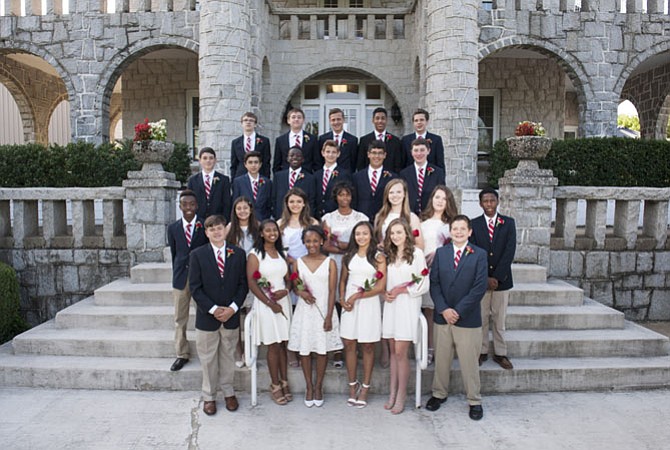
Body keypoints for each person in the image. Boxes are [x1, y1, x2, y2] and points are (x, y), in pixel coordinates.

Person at [425, 215, 488, 421]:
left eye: (463, 229)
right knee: (441, 359)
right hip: (443, 316)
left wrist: (458, 311)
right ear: (449, 232)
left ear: (470, 232)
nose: (458, 232)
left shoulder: (478, 254)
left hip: (466, 318)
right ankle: (438, 394)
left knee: (469, 361)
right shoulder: (441, 253)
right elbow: (434, 283)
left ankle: (474, 400)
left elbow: (479, 287)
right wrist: (443, 309)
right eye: (455, 229)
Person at [189, 215, 248, 415]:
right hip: (208, 317)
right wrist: (214, 309)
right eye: (212, 229)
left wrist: (232, 308)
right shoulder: (197, 255)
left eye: (220, 228)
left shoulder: (238, 254)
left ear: (225, 230)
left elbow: (243, 285)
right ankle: (209, 396)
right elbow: (195, 289)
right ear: (206, 232)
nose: (216, 232)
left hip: (231, 315)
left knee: (228, 356)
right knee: (208, 359)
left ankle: (229, 392)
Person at [288, 226, 343, 407]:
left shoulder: (330, 263)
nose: (312, 244)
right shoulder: (298, 262)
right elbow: (296, 286)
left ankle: (319, 386)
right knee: (305, 350)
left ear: (322, 241)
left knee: (321, 350)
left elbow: (332, 291)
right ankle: (309, 386)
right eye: (308, 241)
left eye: (315, 240)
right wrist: (301, 293)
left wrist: (328, 316)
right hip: (305, 311)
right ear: (304, 242)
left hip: (323, 310)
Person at [382, 219, 429, 414]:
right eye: (392, 233)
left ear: (407, 233)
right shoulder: (389, 256)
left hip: (407, 306)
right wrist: (385, 292)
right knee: (393, 351)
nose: (395, 236)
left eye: (399, 232)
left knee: (402, 352)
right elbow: (385, 281)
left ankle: (402, 395)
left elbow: (424, 282)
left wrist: (403, 291)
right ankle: (392, 393)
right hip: (391, 306)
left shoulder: (416, 254)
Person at [339, 221, 387, 408]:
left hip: (368, 302)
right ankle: (353, 386)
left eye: (365, 233)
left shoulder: (378, 257)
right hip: (350, 304)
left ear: (371, 235)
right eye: (358, 234)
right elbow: (342, 281)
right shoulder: (348, 256)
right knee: (349, 343)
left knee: (367, 345)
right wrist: (342, 299)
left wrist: (359, 295)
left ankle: (365, 387)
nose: (361, 237)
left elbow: (381, 286)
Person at [321, 181, 368, 367]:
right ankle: (338, 348)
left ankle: (355, 343)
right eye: (341, 195)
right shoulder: (328, 218)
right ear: (336, 197)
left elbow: (363, 242)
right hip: (335, 263)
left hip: (356, 263)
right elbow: (325, 244)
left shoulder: (360, 217)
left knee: (352, 300)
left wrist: (344, 247)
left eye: (347, 195)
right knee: (337, 301)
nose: (344, 198)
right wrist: (345, 250)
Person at [470, 187, 517, 370]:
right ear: (480, 203)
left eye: (492, 200)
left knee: (499, 318)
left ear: (497, 202)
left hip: (502, 280)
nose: (489, 204)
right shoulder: (474, 224)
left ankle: (500, 353)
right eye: (485, 201)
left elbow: (509, 251)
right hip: (482, 281)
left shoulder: (508, 223)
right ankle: (482, 351)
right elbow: (474, 251)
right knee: (481, 317)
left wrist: (497, 276)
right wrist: (485, 277)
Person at [247, 219, 293, 405]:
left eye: (275, 230)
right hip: (266, 304)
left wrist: (287, 290)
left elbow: (288, 278)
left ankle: (284, 381)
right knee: (273, 345)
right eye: (268, 230)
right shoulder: (255, 254)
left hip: (283, 301)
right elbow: (252, 282)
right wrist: (269, 302)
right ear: (261, 233)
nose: (272, 233)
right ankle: (274, 385)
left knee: (283, 344)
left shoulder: (281, 253)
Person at [167, 190, 208, 372]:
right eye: (185, 204)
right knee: (180, 318)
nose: (189, 208)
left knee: (203, 316)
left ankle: (205, 351)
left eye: (192, 204)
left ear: (197, 206)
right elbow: (175, 253)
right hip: (181, 278)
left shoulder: (204, 226)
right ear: (180, 206)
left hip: (200, 278)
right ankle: (181, 353)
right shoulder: (173, 228)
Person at [420, 185, 458, 365]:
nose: (440, 201)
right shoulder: (422, 223)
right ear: (432, 199)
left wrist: (440, 253)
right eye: (437, 197)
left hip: (446, 271)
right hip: (426, 270)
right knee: (428, 311)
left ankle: (443, 349)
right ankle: (428, 348)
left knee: (442, 311)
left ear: (448, 201)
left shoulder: (452, 225)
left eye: (443, 198)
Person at [225, 196, 260, 367]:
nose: (242, 211)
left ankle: (249, 348)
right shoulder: (230, 228)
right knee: (238, 315)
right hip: (236, 274)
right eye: (239, 208)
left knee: (251, 314)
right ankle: (239, 349)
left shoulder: (257, 227)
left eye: (245, 208)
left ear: (251, 209)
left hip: (254, 274)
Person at [351, 140, 396, 221]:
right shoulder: (357, 177)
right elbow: (354, 201)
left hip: (384, 220)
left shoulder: (392, 177)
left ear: (385, 155)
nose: (377, 156)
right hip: (362, 221)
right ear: (368, 154)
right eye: (374, 153)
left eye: (380, 153)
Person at [399, 138, 446, 215]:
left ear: (428, 151)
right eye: (416, 150)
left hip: (431, 214)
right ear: (411, 152)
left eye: (422, 150)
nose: (419, 154)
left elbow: (442, 194)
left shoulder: (438, 173)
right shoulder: (404, 174)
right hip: (410, 215)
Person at [187, 147, 232, 222]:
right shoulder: (193, 180)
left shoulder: (224, 180)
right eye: (205, 158)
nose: (208, 161)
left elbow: (227, 204)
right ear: (200, 160)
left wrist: (225, 222)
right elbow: (190, 202)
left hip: (218, 222)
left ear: (215, 160)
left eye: (211, 158)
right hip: (198, 222)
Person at [272, 147, 316, 219]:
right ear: (287, 158)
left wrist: (308, 217)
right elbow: (274, 198)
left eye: (298, 156)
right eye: (292, 155)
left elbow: (311, 200)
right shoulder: (278, 176)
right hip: (281, 217)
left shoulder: (310, 178)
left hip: (302, 218)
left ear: (303, 159)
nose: (295, 158)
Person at [356, 107, 405, 173]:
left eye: (383, 118)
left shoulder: (395, 141)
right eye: (377, 118)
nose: (380, 121)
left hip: (390, 179)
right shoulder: (364, 141)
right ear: (373, 120)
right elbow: (360, 165)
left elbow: (398, 165)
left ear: (386, 120)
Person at [313, 139, 351, 220]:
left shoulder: (344, 174)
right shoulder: (316, 175)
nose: (330, 155)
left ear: (338, 154)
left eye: (334, 152)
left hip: (336, 216)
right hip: (317, 216)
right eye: (328, 152)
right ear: (323, 153)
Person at [273, 107, 317, 174]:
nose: (296, 119)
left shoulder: (312, 139)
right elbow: (277, 164)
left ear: (303, 120)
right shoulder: (280, 140)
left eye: (299, 117)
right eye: (293, 117)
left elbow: (317, 163)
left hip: (307, 177)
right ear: (288, 120)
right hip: (286, 177)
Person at [232, 151, 272, 221]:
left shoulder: (267, 182)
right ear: (245, 164)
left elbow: (269, 203)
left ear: (260, 164)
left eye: (256, 162)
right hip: (244, 220)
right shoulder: (238, 182)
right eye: (250, 162)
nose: (253, 165)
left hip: (262, 220)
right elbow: (235, 202)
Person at [230, 112, 272, 178]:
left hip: (259, 177)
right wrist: (233, 182)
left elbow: (266, 163)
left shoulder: (264, 141)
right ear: (242, 124)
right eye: (245, 120)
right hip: (240, 178)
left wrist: (266, 180)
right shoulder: (235, 142)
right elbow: (234, 164)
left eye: (251, 120)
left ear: (255, 124)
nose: (248, 122)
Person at [316, 108, 359, 172]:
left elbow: (353, 162)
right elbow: (319, 160)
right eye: (333, 120)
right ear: (330, 121)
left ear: (343, 120)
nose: (336, 122)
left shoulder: (352, 140)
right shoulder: (322, 139)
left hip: (345, 177)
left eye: (338, 119)